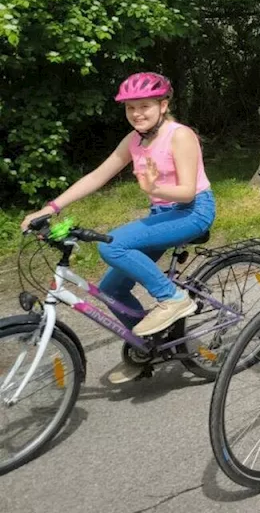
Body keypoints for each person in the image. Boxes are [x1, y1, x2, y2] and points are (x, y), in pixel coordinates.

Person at [20, 72, 216, 383]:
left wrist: (156, 188)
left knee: (113, 244)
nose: (137, 114)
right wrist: (50, 208)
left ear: (163, 105)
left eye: (145, 106)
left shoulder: (180, 135)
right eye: (130, 108)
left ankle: (173, 299)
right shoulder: (134, 140)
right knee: (111, 289)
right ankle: (147, 346)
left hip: (192, 211)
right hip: (162, 213)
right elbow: (98, 176)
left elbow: (188, 192)